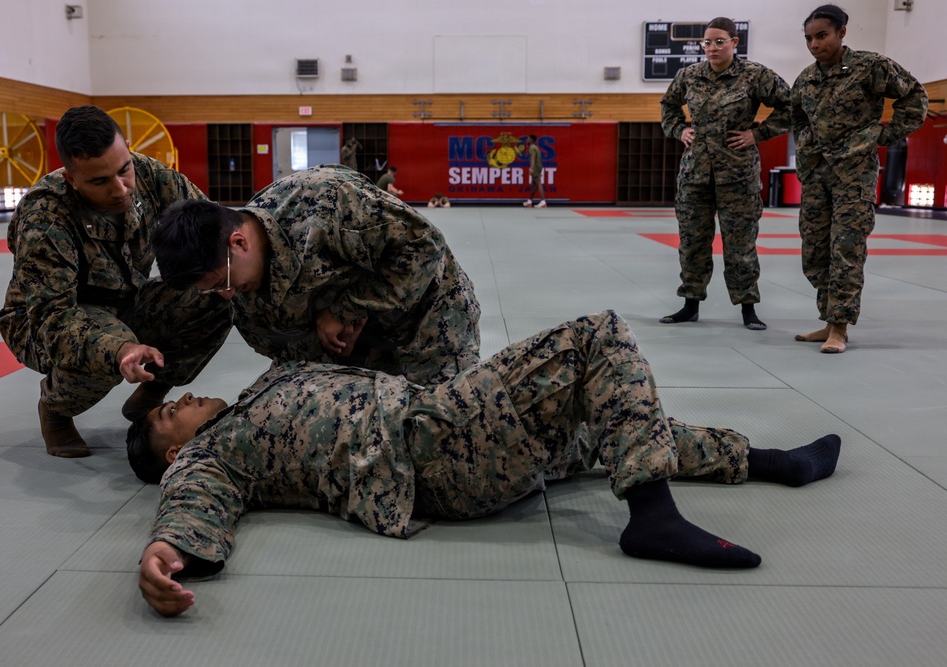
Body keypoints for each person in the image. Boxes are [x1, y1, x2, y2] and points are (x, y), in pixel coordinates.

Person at [129, 310, 841, 617]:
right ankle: (652, 517)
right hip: (429, 448)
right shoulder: (212, 455)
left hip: (442, 425)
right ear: (174, 450)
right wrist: (168, 548)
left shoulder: (260, 390)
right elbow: (193, 499)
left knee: (610, 418)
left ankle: (765, 460)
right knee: (597, 336)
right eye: (168, 414)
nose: (181, 399)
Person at [0, 105, 232, 458]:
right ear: (72, 179)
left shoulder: (149, 175)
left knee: (213, 294)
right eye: (99, 181)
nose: (120, 189)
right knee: (109, 346)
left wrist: (227, 271)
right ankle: (56, 409)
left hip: (124, 300)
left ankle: (153, 390)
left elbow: (211, 223)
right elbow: (53, 320)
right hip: (43, 323)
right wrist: (119, 350)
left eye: (124, 170)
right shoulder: (45, 217)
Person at [152, 164, 480, 386]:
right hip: (365, 350)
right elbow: (289, 355)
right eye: (211, 290)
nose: (226, 295)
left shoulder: (326, 203)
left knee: (447, 429)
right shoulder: (243, 296)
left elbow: (423, 246)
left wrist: (344, 312)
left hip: (429, 319)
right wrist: (336, 347)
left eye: (221, 282)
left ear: (239, 243)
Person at [791, 5, 928, 353]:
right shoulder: (806, 78)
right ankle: (827, 319)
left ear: (842, 32)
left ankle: (840, 327)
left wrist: (882, 136)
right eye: (808, 38)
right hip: (817, 176)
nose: (814, 44)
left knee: (846, 249)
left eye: (822, 36)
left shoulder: (871, 66)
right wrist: (806, 147)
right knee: (814, 251)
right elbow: (797, 118)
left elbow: (915, 97)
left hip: (854, 175)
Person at [659, 17, 791, 331]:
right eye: (707, 42)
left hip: (738, 175)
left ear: (734, 42)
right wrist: (679, 130)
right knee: (692, 243)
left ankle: (748, 308)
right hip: (695, 176)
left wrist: (757, 134)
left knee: (740, 245)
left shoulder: (755, 75)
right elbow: (668, 105)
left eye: (720, 41)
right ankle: (690, 304)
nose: (713, 48)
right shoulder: (689, 75)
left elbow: (791, 107)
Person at [522, 134, 546, 208]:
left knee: (538, 183)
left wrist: (531, 168)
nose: (527, 140)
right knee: (533, 185)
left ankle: (543, 202)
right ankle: (529, 201)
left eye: (528, 138)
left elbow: (533, 157)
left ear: (532, 140)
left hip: (535, 167)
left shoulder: (532, 147)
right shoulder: (535, 147)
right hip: (538, 166)